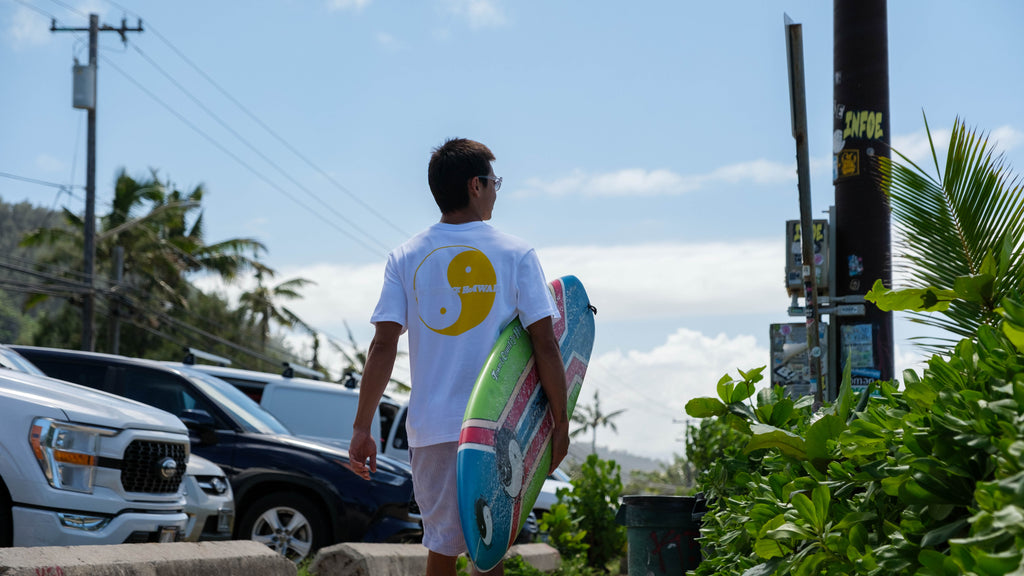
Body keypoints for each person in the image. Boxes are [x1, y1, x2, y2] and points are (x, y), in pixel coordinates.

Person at [350, 138, 569, 576]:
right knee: (488, 552)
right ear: (475, 185)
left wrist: (362, 427)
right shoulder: (516, 253)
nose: (495, 191)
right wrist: (559, 423)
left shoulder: (406, 255)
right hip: (496, 428)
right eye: (494, 182)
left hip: (431, 428)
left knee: (442, 548)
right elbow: (545, 344)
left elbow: (383, 345)